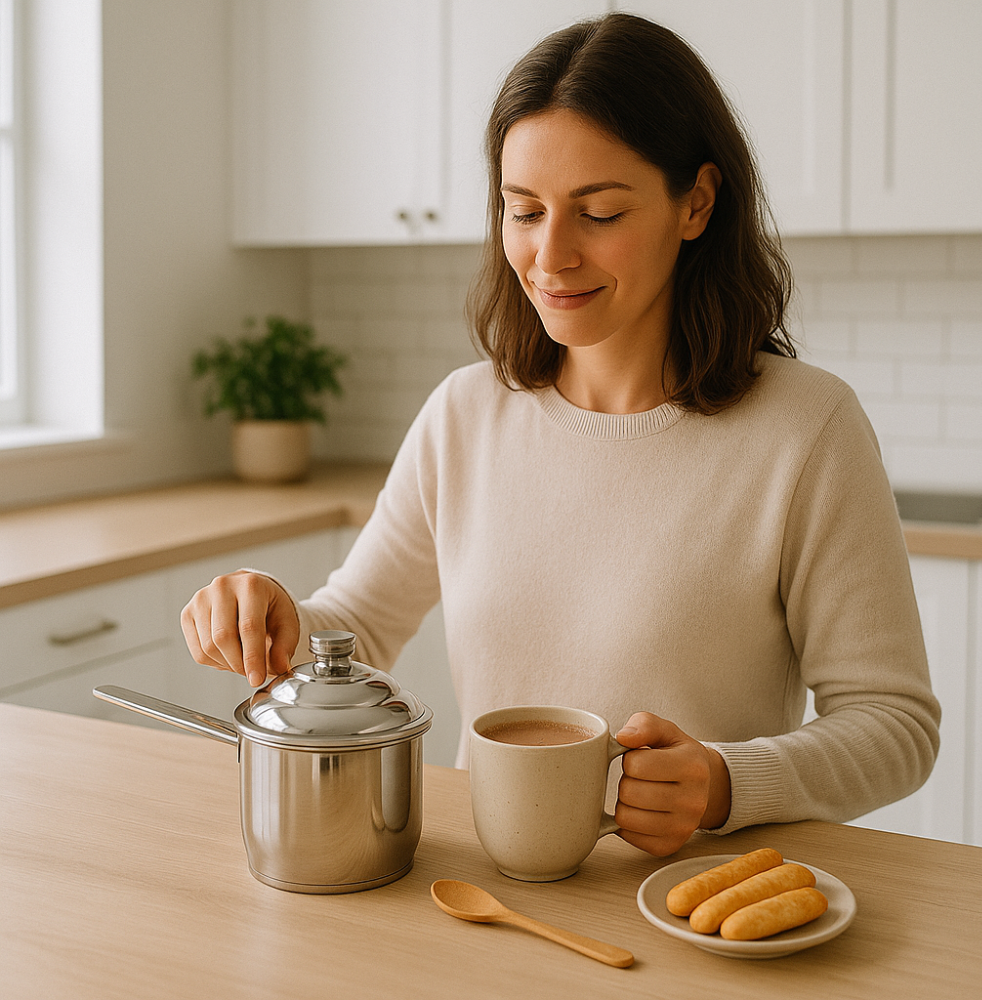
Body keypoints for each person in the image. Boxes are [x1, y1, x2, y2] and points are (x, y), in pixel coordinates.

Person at [181, 12, 940, 857]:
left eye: (600, 212)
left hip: (688, 907)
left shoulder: (807, 429)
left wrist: (725, 783)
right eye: (524, 211)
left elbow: (895, 726)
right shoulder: (463, 415)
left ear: (696, 202)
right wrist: (271, 612)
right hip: (487, 895)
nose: (551, 255)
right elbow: (355, 624)